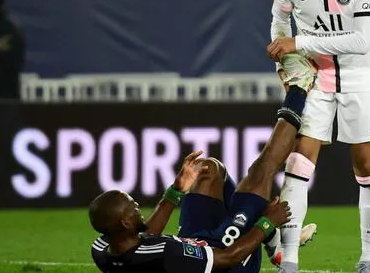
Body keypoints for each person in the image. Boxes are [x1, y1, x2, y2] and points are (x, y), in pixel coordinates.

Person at [89, 53, 318, 273]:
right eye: (132, 207)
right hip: (228, 260)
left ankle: (270, 238)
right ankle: (300, 87)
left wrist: (176, 191)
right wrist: (267, 223)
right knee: (261, 171)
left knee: (208, 169)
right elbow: (229, 257)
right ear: (124, 223)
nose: (137, 206)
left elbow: (145, 236)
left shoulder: (103, 249)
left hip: (196, 250)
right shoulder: (166, 254)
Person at [266, 0, 370, 273]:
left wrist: (298, 44)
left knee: (368, 167)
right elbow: (278, 26)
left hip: (359, 77)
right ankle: (289, 261)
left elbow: (362, 40)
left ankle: (368, 259)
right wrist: (285, 67)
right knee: (298, 164)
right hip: (314, 79)